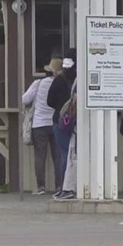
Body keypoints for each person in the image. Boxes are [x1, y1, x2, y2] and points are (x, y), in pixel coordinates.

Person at [21, 58, 61, 195]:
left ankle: (41, 187)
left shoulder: (38, 84)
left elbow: (25, 99)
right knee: (58, 156)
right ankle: (59, 187)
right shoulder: (60, 84)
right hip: (55, 123)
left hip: (39, 124)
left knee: (40, 156)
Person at [47, 50, 77, 200]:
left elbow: (49, 101)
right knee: (73, 155)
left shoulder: (59, 80)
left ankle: (65, 187)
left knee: (65, 154)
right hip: (77, 122)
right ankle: (71, 185)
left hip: (60, 120)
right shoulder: (79, 80)